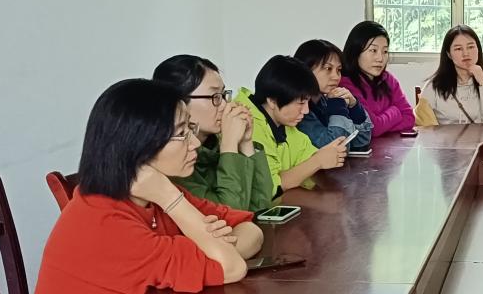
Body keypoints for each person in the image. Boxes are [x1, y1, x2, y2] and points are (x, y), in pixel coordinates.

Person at [31, 78, 264, 294]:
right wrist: (176, 204)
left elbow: (251, 229)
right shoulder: (108, 220)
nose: (194, 143)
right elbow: (231, 268)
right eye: (181, 134)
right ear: (138, 148)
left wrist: (215, 243)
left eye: (190, 129)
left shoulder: (145, 198)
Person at [152, 54, 275, 211]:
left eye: (223, 95)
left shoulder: (211, 146)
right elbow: (229, 215)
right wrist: (229, 144)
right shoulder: (172, 161)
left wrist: (246, 142)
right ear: (179, 103)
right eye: (215, 96)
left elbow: (261, 206)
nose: (224, 105)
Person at [234, 55, 348, 194]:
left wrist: (326, 154)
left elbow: (306, 155)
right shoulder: (247, 125)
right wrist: (318, 161)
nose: (306, 110)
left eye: (307, 102)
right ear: (272, 101)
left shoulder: (283, 122)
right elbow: (269, 187)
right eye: (301, 103)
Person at [292, 39, 374, 150]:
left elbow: (361, 141)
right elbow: (334, 147)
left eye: (338, 70)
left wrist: (354, 107)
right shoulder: (300, 110)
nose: (336, 77)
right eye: (328, 68)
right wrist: (337, 107)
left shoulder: (324, 101)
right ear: (306, 69)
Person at [339, 20, 414, 136]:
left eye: (385, 51)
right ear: (356, 51)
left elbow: (409, 118)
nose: (380, 58)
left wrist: (381, 125)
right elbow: (372, 127)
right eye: (373, 50)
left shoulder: (389, 79)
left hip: (390, 145)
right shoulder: (345, 85)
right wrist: (395, 111)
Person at [420, 25, 483, 124]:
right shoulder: (434, 86)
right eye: (458, 49)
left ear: (478, 49)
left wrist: (482, 81)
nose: (466, 53)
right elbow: (422, 122)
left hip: (479, 135)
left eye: (470, 47)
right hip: (444, 134)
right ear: (449, 54)